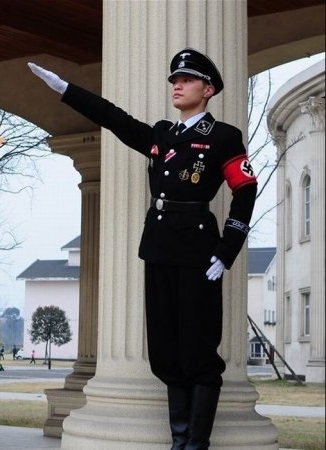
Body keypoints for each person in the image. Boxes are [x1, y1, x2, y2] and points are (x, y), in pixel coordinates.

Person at [28, 48, 257, 450]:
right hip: (158, 248)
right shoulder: (162, 135)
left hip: (199, 253)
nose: (177, 85)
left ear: (208, 89)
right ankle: (179, 439)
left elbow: (245, 191)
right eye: (173, 80)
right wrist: (65, 90)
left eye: (185, 80)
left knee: (199, 352)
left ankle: (196, 444)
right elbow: (114, 119)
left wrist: (226, 252)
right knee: (166, 351)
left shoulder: (222, 137)